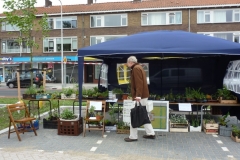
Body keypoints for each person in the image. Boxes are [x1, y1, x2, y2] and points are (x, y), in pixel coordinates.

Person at [124, 56, 155, 142]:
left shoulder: (136, 69)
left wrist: (138, 95)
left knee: (134, 115)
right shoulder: (139, 67)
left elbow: (139, 83)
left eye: (127, 62)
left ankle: (133, 136)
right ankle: (151, 133)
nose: (127, 64)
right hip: (143, 96)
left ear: (130, 62)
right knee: (143, 114)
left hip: (140, 97)